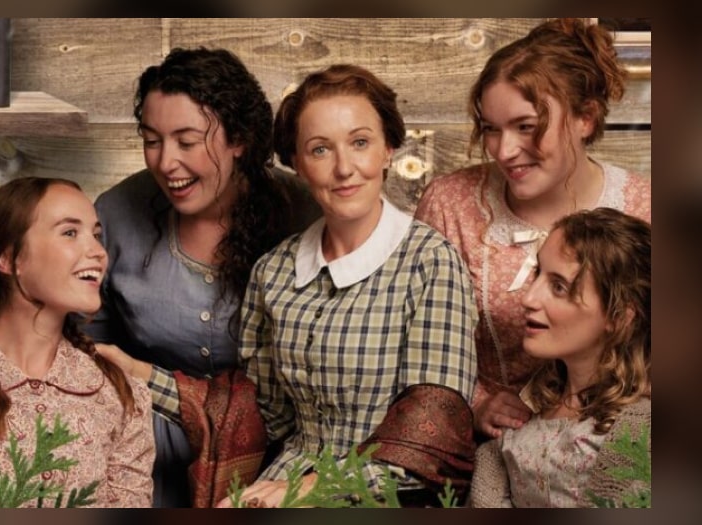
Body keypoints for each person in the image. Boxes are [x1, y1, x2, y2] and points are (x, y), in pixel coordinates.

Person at [211, 63, 479, 507]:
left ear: (389, 148)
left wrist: (306, 490)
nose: (344, 168)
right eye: (320, 150)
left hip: (393, 493)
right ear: (296, 163)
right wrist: (135, 373)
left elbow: (432, 440)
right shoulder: (272, 271)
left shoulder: (430, 262)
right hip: (285, 479)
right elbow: (263, 413)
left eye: (360, 142)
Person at [84, 47, 320, 507]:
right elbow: (85, 346)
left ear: (240, 139)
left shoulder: (307, 215)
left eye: (187, 141)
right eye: (152, 139)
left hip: (279, 459)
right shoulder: (114, 214)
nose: (166, 162)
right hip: (146, 453)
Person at [413, 18, 651, 441]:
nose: (505, 151)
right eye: (491, 128)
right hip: (482, 445)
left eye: (526, 127)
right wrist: (474, 401)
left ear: (586, 119)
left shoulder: (646, 208)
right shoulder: (450, 203)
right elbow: (419, 337)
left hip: (615, 443)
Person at [0, 177, 154, 508]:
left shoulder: (121, 393)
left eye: (97, 235)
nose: (98, 252)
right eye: (70, 233)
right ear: (7, 258)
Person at [469, 207, 651, 507]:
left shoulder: (639, 428)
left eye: (559, 287)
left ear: (619, 316)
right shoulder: (532, 402)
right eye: (537, 274)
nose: (528, 299)